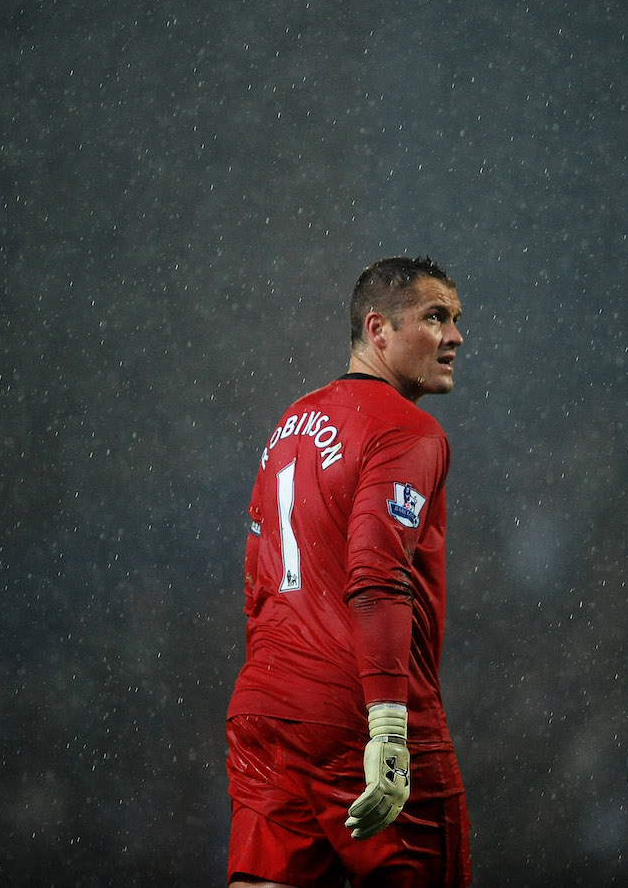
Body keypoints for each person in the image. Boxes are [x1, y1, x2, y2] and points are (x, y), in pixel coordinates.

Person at [225, 257, 472, 887]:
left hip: (266, 708)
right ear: (378, 329)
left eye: (456, 319)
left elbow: (257, 581)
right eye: (434, 318)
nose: (455, 337)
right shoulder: (406, 430)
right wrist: (388, 728)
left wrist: (280, 694)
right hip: (357, 709)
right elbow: (377, 573)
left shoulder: (287, 426)